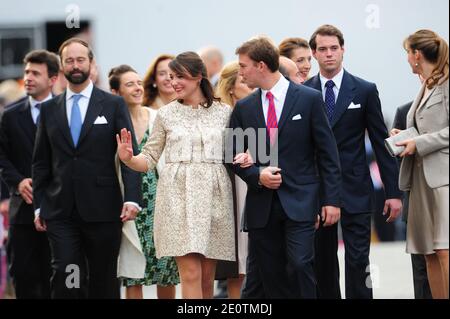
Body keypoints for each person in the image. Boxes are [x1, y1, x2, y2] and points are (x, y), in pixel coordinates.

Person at [229, 36, 341, 298]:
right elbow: (230, 154)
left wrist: (331, 200)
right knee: (271, 274)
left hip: (301, 202)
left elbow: (328, 154)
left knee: (301, 264)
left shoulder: (309, 99)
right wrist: (256, 175)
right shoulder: (244, 107)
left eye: (243, 66)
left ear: (260, 65)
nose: (240, 72)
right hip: (262, 206)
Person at [116, 51, 236, 299]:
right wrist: (128, 157)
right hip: (177, 198)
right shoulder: (166, 114)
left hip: (214, 197)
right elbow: (148, 160)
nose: (173, 82)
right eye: (171, 77)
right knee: (189, 274)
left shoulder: (225, 112)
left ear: (198, 76)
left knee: (206, 277)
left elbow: (241, 152)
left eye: (179, 76)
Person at [32, 38, 142, 299]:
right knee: (65, 273)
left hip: (103, 208)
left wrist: (133, 198)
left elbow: (130, 154)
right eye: (69, 60)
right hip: (60, 210)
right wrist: (39, 205)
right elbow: (40, 161)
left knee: (103, 278)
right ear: (61, 66)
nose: (75, 65)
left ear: (91, 64)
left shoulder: (113, 105)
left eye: (81, 59)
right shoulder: (49, 109)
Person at [304, 24, 403, 299]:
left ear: (343, 50)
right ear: (314, 53)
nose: (329, 54)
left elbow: (383, 146)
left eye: (334, 48)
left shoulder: (364, 90)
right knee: (323, 263)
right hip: (318, 191)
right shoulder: (303, 92)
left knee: (359, 261)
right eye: (322, 49)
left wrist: (393, 193)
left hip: (356, 189)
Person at [109, 64, 179, 299]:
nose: (137, 88)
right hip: (129, 203)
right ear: (116, 92)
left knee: (165, 270)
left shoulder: (157, 117)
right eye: (129, 84)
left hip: (161, 204)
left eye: (139, 82)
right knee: (133, 273)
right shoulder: (111, 122)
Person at [392, 29, 448, 299]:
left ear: (416, 55)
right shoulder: (427, 85)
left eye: (407, 53)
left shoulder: (447, 83)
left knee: (445, 251)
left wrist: (420, 143)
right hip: (420, 181)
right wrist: (404, 137)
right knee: (429, 254)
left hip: (443, 180)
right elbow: (424, 126)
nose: (406, 59)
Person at [0, 50, 60, 299]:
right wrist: (18, 181)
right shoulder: (10, 115)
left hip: (59, 211)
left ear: (53, 79)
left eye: (36, 73)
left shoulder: (66, 112)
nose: (28, 77)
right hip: (22, 212)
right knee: (24, 278)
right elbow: (1, 156)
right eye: (26, 72)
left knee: (57, 281)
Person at [214, 61, 253, 299]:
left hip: (254, 185)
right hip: (230, 189)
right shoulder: (220, 117)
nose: (248, 84)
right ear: (230, 87)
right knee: (236, 265)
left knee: (254, 260)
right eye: (242, 81)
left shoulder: (257, 110)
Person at [392, 100, 432, 299]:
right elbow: (397, 160)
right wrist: (397, 143)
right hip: (416, 197)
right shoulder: (405, 110)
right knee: (421, 269)